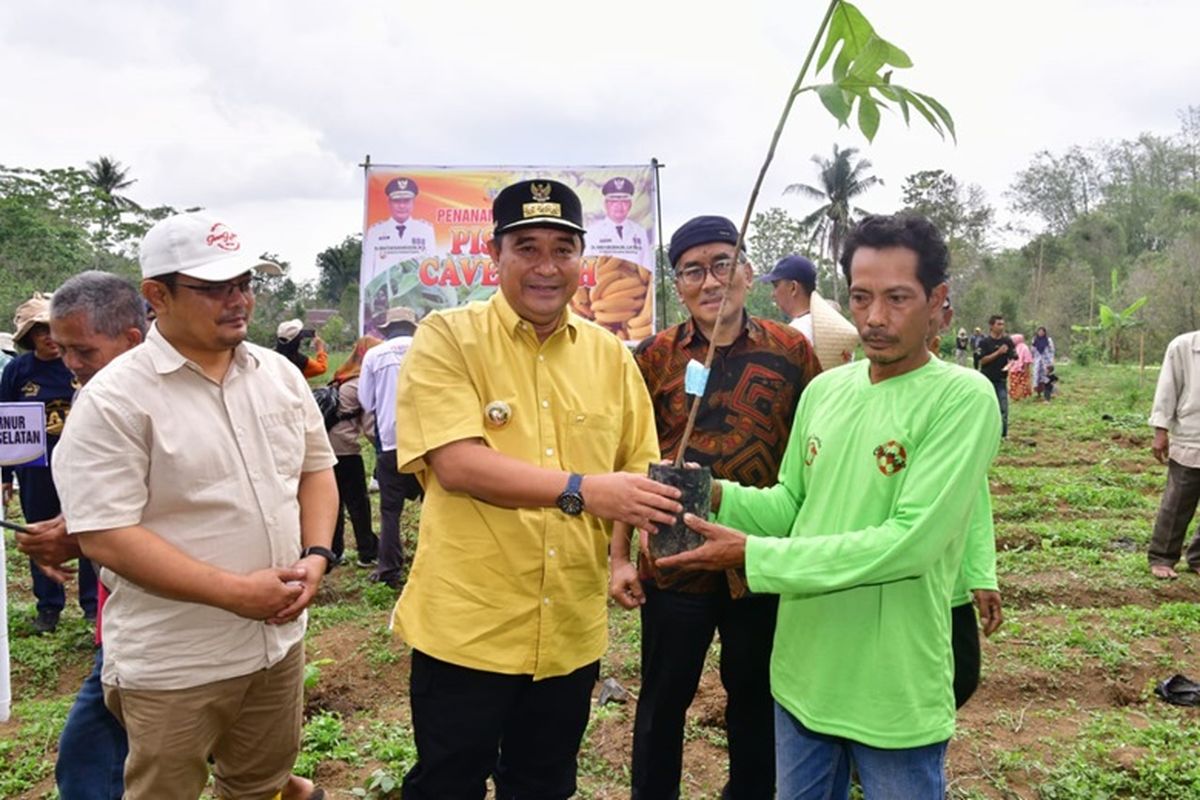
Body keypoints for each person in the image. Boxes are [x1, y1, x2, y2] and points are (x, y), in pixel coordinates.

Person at [657, 214, 1002, 799]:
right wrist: (715, 492)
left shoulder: (961, 398)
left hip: (890, 688)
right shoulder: (826, 390)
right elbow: (791, 503)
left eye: (897, 299)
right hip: (801, 678)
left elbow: (909, 541)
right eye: (862, 297)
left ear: (937, 300)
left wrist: (754, 556)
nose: (873, 318)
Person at [391, 178, 682, 799]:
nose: (547, 267)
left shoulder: (610, 355)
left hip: (569, 629)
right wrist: (582, 490)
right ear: (494, 256)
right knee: (448, 782)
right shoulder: (448, 339)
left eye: (562, 249)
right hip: (469, 625)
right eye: (526, 248)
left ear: (583, 261)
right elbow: (457, 465)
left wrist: (622, 553)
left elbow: (636, 465)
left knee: (544, 784)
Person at [52, 211, 340, 800]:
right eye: (214, 289)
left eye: (245, 284)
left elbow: (315, 470)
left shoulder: (280, 376)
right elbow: (106, 535)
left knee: (258, 784)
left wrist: (316, 555)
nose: (238, 301)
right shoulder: (115, 399)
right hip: (175, 660)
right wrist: (234, 593)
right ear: (156, 296)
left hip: (277, 646)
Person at [612, 216, 821, 799]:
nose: (710, 282)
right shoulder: (652, 357)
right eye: (693, 270)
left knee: (755, 695)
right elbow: (627, 460)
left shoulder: (791, 351)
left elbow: (813, 450)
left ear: (747, 271)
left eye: (722, 265)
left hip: (758, 560)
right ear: (677, 284)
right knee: (662, 700)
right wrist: (620, 557)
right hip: (675, 563)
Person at [923, 299, 1003, 709]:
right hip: (896, 582)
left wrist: (981, 573)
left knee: (959, 679)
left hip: (948, 584)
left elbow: (976, 494)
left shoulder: (961, 396)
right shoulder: (850, 394)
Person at [1, 292, 97, 634]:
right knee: (38, 531)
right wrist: (5, 475)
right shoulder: (16, 371)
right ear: (28, 337)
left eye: (51, 328)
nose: (48, 337)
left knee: (87, 528)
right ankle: (49, 608)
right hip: (35, 468)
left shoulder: (78, 364)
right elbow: (6, 424)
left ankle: (92, 606)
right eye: (39, 330)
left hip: (81, 464)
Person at [358, 306, 423, 589]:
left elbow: (366, 401)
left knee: (390, 511)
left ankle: (389, 570)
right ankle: (430, 566)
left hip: (390, 441)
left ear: (387, 329)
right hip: (427, 441)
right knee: (434, 505)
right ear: (412, 328)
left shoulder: (374, 355)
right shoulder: (427, 349)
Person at [1148, 328, 1200, 580]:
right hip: (1191, 435)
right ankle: (1162, 556)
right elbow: (1167, 390)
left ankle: (1198, 556)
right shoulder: (1184, 346)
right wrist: (1161, 431)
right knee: (1178, 501)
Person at [327, 335, 383, 567]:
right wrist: (382, 448)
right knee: (358, 502)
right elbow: (369, 426)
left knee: (334, 502)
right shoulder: (362, 384)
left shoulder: (339, 379)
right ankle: (367, 553)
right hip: (348, 451)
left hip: (327, 449)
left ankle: (334, 551)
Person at [363, 176, 438, 283]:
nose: (402, 206)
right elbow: (368, 270)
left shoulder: (425, 230)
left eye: (406, 201)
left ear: (413, 203)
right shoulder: (375, 232)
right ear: (389, 203)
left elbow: (431, 268)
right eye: (397, 201)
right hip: (383, 294)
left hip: (415, 293)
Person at [585, 176, 653, 270]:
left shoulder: (639, 231)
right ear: (606, 204)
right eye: (614, 201)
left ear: (630, 205)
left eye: (624, 201)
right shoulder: (592, 233)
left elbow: (647, 267)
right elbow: (587, 266)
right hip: (603, 282)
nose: (619, 206)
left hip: (635, 283)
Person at [760, 253, 817, 341]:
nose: (773, 294)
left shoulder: (795, 333)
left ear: (793, 287)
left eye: (776, 286)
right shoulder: (823, 324)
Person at [977, 315, 1017, 438]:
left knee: (1003, 408)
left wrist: (1010, 364)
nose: (1001, 327)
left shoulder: (1007, 341)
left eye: (1002, 324)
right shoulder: (984, 343)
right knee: (985, 408)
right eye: (998, 324)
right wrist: (998, 353)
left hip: (1001, 379)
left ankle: (1003, 435)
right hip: (986, 379)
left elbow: (1014, 357)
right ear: (991, 326)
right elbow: (982, 361)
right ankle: (984, 434)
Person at [1031, 326, 1056, 397]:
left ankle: (1048, 393)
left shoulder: (1048, 340)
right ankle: (1038, 393)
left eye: (1042, 332)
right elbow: (1032, 350)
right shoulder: (1034, 340)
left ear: (1045, 332)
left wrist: (1051, 361)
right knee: (1037, 377)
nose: (1040, 333)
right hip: (1037, 361)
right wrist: (1033, 359)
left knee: (1046, 377)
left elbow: (1052, 350)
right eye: (1039, 331)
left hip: (1046, 361)